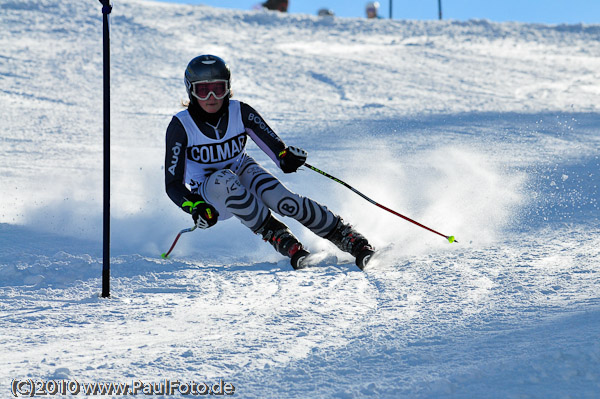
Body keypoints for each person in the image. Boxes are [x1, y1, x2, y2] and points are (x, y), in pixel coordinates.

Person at [164, 55, 375, 270]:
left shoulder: (241, 112)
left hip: (241, 169)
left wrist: (288, 159)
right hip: (209, 195)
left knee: (284, 200)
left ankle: (351, 239)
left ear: (228, 88)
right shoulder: (181, 126)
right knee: (224, 179)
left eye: (218, 89)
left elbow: (278, 152)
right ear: (190, 90)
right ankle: (283, 240)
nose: (211, 97)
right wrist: (195, 206)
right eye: (203, 90)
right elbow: (172, 184)